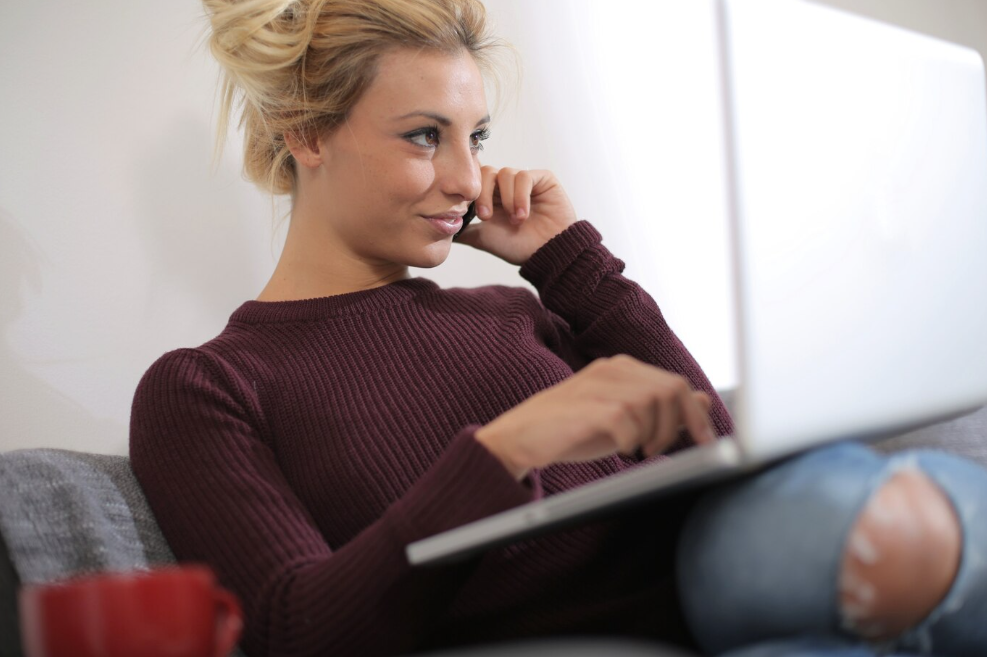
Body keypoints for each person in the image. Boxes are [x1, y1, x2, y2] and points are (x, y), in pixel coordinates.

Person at [128, 1, 987, 656]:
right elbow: (294, 628)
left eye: (478, 135)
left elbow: (712, 445)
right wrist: (500, 453)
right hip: (601, 627)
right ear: (307, 133)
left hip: (721, 569)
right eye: (426, 136)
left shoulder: (515, 310)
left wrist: (569, 261)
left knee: (885, 515)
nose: (468, 177)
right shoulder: (206, 387)